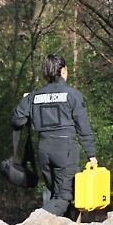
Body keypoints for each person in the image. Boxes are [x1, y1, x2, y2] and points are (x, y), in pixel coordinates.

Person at [10, 54, 97, 216]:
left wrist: (28, 104)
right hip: (65, 149)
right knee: (64, 197)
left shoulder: (34, 96)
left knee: (57, 194)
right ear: (63, 70)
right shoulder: (72, 95)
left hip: (44, 150)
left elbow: (17, 120)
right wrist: (91, 154)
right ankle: (35, 221)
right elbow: (83, 127)